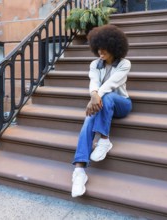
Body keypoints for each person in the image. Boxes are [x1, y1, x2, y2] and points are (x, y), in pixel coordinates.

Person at [71, 24, 132, 197]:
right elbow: (94, 82)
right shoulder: (95, 64)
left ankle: (104, 139)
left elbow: (112, 84)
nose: (100, 52)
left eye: (104, 49)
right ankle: (79, 171)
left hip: (122, 104)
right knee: (88, 119)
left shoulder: (124, 64)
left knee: (107, 96)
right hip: (101, 103)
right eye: (98, 48)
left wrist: (96, 96)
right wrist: (93, 94)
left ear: (114, 47)